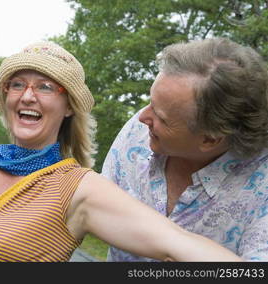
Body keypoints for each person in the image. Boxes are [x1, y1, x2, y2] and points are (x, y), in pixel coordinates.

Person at [0, 41, 242, 262]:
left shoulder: (79, 189)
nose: (27, 95)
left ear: (68, 105)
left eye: (45, 86)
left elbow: (175, 243)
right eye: (17, 84)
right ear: (5, 98)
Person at [102, 37, 268, 262]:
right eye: (150, 102)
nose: (142, 117)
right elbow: (95, 203)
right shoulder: (140, 130)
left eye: (160, 117)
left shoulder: (262, 187)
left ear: (210, 139)